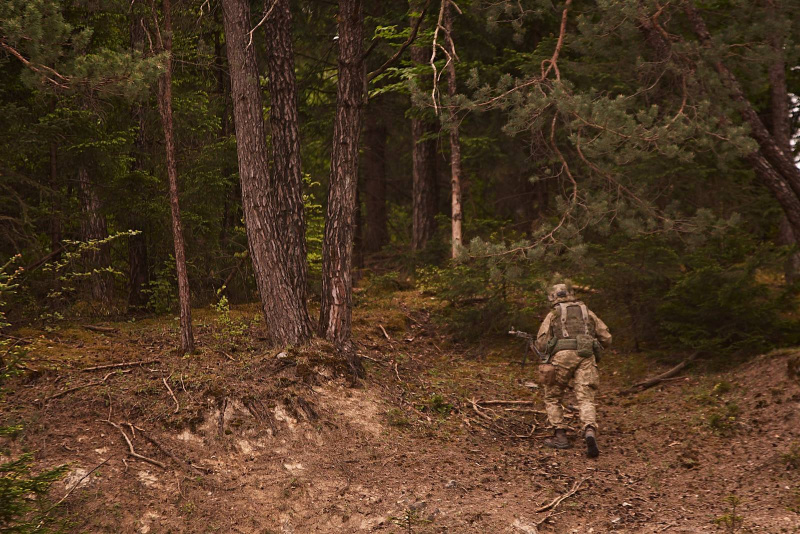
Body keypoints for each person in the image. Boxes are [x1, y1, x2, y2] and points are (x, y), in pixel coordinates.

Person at [534, 283, 612, 458]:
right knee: (586, 397)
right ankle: (589, 430)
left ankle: (560, 436)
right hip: (586, 357)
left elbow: (542, 343)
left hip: (562, 357)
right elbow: (606, 338)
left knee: (552, 396)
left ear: (553, 297)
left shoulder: (554, 314)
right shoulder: (587, 312)